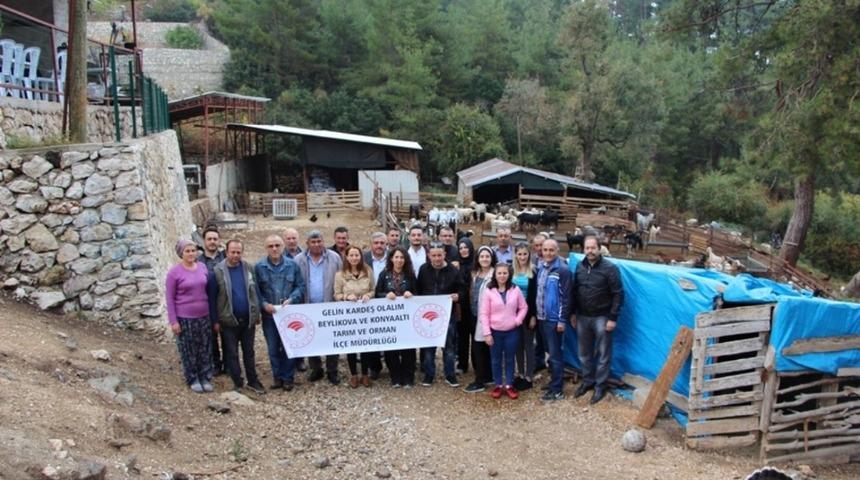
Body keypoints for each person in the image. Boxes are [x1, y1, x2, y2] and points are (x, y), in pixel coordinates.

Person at [208, 239, 265, 395]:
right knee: (231, 353)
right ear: (226, 252)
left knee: (249, 352)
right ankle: (237, 382)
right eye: (232, 252)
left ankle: (253, 380)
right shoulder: (217, 272)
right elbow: (212, 298)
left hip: (248, 320)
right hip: (228, 320)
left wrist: (257, 312)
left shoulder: (248, 268)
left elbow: (255, 291)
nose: (235, 255)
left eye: (238, 252)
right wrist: (215, 321)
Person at [571, 235, 624, 404]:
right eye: (587, 248)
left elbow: (618, 294)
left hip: (602, 317)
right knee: (584, 353)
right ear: (583, 249)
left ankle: (600, 385)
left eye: (593, 248)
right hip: (582, 316)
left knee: (603, 354)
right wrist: (573, 313)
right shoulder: (579, 266)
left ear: (599, 248)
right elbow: (575, 291)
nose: (590, 251)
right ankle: (588, 381)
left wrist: (613, 318)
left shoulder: (610, 268)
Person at [255, 235, 305, 392]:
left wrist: (292, 299)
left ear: (283, 246)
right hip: (270, 316)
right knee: (273, 348)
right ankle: (277, 377)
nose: (274, 248)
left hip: (288, 315)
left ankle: (288, 377)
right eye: (271, 246)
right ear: (266, 248)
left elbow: (300, 286)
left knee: (289, 346)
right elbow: (256, 291)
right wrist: (264, 304)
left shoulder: (292, 265)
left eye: (277, 245)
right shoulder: (259, 267)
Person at [166, 239, 216, 393]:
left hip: (203, 316)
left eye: (193, 250)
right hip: (185, 318)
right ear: (181, 253)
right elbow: (169, 298)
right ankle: (193, 378)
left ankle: (205, 376)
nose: (191, 254)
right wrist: (173, 321)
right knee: (189, 349)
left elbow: (208, 290)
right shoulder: (174, 273)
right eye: (187, 251)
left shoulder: (202, 267)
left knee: (204, 348)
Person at [294, 230, 343, 385]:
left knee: (332, 339)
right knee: (311, 338)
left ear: (323, 241)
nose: (316, 244)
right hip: (308, 306)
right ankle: (316, 368)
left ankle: (332, 370)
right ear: (307, 244)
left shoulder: (334, 258)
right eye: (313, 242)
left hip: (330, 305)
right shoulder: (298, 260)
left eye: (319, 241)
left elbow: (342, 279)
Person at [416, 242, 462, 387]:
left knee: (449, 346)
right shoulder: (423, 269)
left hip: (447, 315)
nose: (436, 258)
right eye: (434, 255)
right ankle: (429, 374)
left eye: (439, 255)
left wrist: (458, 296)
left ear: (444, 254)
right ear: (429, 256)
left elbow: (462, 288)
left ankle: (450, 374)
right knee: (428, 346)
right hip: (427, 313)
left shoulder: (453, 270)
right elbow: (418, 289)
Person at [480, 263, 528, 399]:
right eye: (499, 273)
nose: (502, 276)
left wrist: (517, 320)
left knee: (509, 359)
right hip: (495, 331)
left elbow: (524, 307)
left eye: (505, 273)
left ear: (509, 274)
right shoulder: (489, 291)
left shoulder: (515, 289)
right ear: (495, 275)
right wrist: (487, 333)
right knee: (495, 359)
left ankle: (509, 385)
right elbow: (484, 313)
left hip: (511, 331)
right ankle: (498, 384)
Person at [335, 246, 377, 388]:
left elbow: (373, 290)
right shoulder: (340, 275)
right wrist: (346, 297)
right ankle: (353, 374)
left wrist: (368, 295)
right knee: (351, 345)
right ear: (346, 257)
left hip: (366, 314)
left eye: (357, 255)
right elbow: (336, 294)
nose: (354, 258)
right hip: (349, 316)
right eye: (351, 255)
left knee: (365, 344)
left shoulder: (368, 271)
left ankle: (365, 374)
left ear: (361, 256)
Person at [375, 247, 417, 388]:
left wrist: (411, 294)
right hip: (389, 319)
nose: (399, 260)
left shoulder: (410, 275)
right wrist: (385, 295)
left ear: (406, 260)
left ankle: (408, 377)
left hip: (407, 318)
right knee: (391, 349)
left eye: (402, 257)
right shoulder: (384, 274)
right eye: (396, 257)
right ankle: (395, 377)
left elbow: (418, 293)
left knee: (408, 348)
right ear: (391, 259)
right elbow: (377, 293)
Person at [535, 239, 572, 402]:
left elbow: (566, 298)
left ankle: (557, 389)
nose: (548, 253)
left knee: (556, 354)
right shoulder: (541, 267)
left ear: (557, 251)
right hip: (541, 317)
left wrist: (562, 320)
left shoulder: (562, 270)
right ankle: (553, 382)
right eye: (545, 250)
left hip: (553, 319)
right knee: (549, 353)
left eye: (551, 250)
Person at [463, 246, 496, 393]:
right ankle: (486, 376)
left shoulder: (494, 274)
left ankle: (480, 380)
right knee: (480, 347)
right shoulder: (475, 273)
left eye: (487, 256)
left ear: (492, 258)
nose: (484, 259)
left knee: (480, 348)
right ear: (477, 258)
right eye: (482, 256)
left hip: (487, 316)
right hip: (474, 314)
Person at [197, 226, 226, 375]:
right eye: (209, 239)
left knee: (228, 337)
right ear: (204, 241)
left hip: (226, 303)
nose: (212, 242)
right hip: (207, 304)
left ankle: (229, 364)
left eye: (215, 239)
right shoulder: (198, 262)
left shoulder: (226, 257)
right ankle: (215, 364)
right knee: (210, 337)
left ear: (219, 240)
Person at [512, 242, 538, 391]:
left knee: (528, 345)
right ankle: (520, 373)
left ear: (529, 255)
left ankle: (529, 376)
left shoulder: (533, 272)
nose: (522, 257)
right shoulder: (512, 271)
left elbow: (535, 295)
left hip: (528, 313)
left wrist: (533, 315)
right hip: (513, 313)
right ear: (516, 255)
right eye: (520, 254)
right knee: (518, 344)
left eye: (525, 254)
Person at [362, 232, 388, 379]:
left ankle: (391, 364)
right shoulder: (363, 258)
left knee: (388, 333)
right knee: (371, 335)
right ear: (371, 244)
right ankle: (374, 367)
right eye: (376, 243)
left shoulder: (393, 257)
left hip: (388, 300)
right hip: (369, 301)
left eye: (382, 243)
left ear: (386, 244)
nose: (379, 246)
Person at [455, 238, 476, 374]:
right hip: (461, 307)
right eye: (461, 248)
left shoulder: (476, 265)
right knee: (462, 337)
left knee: (475, 337)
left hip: (474, 306)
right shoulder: (456, 265)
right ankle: (462, 364)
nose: (463, 250)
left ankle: (477, 364)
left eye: (466, 247)